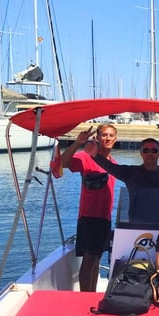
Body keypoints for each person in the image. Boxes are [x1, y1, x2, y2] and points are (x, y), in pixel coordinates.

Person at [60, 124, 118, 292]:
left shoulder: (112, 163)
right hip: (89, 217)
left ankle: (91, 295)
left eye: (111, 135)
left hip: (105, 218)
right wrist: (78, 142)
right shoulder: (86, 157)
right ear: (97, 138)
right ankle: (84, 297)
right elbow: (63, 163)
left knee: (97, 259)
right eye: (104, 135)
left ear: (116, 139)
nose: (108, 138)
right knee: (89, 258)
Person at [93, 137, 159, 223]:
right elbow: (110, 167)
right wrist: (94, 154)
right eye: (146, 151)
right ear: (141, 153)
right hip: (136, 223)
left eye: (154, 150)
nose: (150, 153)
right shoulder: (131, 172)